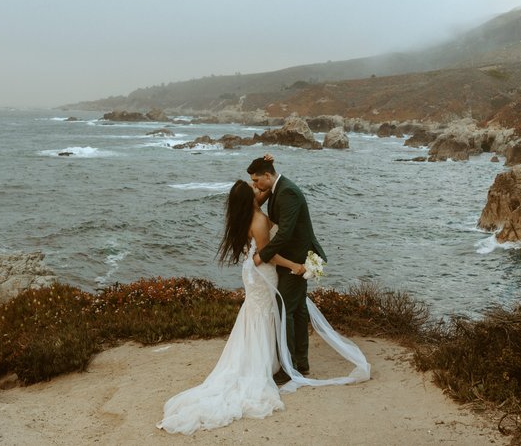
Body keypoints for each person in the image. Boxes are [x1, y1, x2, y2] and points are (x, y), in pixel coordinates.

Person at [157, 164, 370, 435]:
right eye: (253, 188)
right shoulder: (257, 220)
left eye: (257, 184)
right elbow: (267, 253)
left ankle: (279, 361)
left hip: (256, 269)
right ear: (249, 198)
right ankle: (279, 364)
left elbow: (268, 192)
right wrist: (294, 265)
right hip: (263, 270)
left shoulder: (251, 211)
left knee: (264, 314)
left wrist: (272, 170)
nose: (257, 189)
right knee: (267, 313)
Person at [248, 153, 322, 378]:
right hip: (295, 257)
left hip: (296, 259)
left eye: (256, 181)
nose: (255, 186)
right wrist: (264, 159)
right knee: (298, 310)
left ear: (268, 176)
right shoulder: (277, 187)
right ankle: (301, 363)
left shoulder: (287, 192)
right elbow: (253, 202)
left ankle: (288, 368)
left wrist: (263, 255)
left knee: (285, 310)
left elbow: (286, 233)